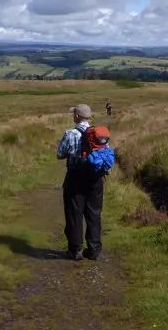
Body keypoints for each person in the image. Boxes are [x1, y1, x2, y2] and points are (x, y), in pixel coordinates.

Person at [56, 104, 104, 261]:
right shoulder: (100, 134)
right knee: (94, 214)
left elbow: (60, 154)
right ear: (89, 117)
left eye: (74, 114)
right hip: (96, 179)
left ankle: (75, 250)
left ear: (77, 116)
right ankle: (94, 250)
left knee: (74, 214)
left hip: (75, 179)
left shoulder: (70, 134)